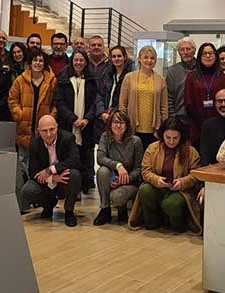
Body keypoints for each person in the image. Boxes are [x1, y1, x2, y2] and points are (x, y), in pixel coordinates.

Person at [128, 118, 201, 234]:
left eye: (175, 138)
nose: (171, 141)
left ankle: (176, 225)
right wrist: (157, 180)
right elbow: (145, 171)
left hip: (180, 191)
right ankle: (152, 222)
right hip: (158, 187)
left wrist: (182, 182)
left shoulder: (190, 151)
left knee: (171, 204)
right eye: (168, 137)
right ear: (162, 135)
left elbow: (195, 174)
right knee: (145, 190)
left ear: (181, 136)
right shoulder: (152, 148)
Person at [8, 48, 57, 213]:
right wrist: (19, 114)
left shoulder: (51, 81)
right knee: (24, 163)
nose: (38, 63)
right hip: (24, 129)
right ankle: (27, 198)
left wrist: (51, 117)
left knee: (43, 164)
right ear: (30, 63)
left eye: (41, 60)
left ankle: (41, 196)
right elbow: (12, 99)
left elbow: (55, 102)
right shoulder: (20, 80)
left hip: (44, 131)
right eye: (35, 60)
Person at [21, 115, 82, 227]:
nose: (49, 134)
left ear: (57, 127)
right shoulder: (34, 143)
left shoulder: (68, 138)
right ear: (39, 131)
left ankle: (69, 211)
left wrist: (51, 170)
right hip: (47, 182)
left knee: (75, 175)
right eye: (44, 131)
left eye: (52, 129)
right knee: (27, 190)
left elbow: (75, 161)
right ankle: (48, 205)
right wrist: (52, 178)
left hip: (64, 179)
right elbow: (33, 172)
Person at [55, 49, 97, 193]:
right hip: (67, 125)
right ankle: (70, 189)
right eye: (76, 60)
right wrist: (73, 119)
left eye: (81, 60)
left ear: (86, 62)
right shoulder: (63, 79)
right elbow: (59, 102)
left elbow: (94, 102)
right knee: (69, 157)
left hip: (86, 127)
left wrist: (87, 119)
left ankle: (84, 185)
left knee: (85, 158)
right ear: (72, 61)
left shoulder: (91, 80)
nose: (78, 63)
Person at [94, 111, 143, 226]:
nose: (118, 125)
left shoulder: (135, 141)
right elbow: (100, 158)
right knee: (102, 171)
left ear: (127, 125)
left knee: (116, 197)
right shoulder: (105, 137)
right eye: (115, 122)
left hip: (130, 182)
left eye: (122, 122)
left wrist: (124, 179)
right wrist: (118, 165)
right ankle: (105, 209)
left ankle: (122, 209)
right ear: (110, 124)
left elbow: (139, 168)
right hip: (112, 178)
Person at [119, 45, 168, 149]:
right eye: (146, 57)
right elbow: (122, 104)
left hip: (154, 129)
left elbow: (164, 107)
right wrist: (124, 124)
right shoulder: (129, 77)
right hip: (133, 128)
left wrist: (164, 126)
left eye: (152, 58)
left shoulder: (161, 79)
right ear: (139, 59)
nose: (149, 60)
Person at [184, 43, 225, 147]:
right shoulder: (191, 77)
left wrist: (214, 123)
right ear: (199, 56)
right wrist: (202, 123)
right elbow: (188, 103)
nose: (208, 56)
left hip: (219, 125)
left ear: (216, 56)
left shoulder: (224, 78)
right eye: (204, 53)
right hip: (197, 126)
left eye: (211, 53)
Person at [95, 45, 135, 131]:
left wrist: (113, 114)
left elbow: (127, 99)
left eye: (119, 56)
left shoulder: (131, 77)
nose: (116, 59)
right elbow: (99, 94)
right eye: (114, 56)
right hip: (103, 118)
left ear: (124, 57)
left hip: (120, 118)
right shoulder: (106, 74)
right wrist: (102, 112)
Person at [166, 36, 197, 125]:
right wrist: (173, 118)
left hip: (200, 119)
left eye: (188, 49)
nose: (185, 52)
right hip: (179, 119)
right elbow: (169, 97)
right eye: (182, 50)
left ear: (194, 51)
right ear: (179, 52)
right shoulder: (172, 71)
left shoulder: (202, 69)